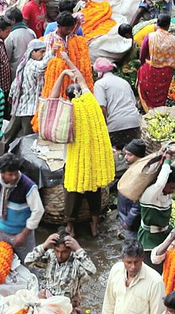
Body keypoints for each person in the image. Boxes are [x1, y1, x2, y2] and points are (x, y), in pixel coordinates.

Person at [48, 64, 103, 238]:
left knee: (72, 191)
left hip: (74, 161)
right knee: (94, 191)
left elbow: (51, 98)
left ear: (68, 96)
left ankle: (70, 226)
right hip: (94, 160)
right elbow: (82, 79)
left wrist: (63, 73)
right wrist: (69, 64)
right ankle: (94, 226)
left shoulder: (67, 111)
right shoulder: (91, 103)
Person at [0, 153, 44, 262]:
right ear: (2, 173)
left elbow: (38, 211)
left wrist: (24, 234)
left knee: (28, 263)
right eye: (10, 174)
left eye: (16, 173)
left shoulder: (28, 187)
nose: (14, 177)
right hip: (2, 231)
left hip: (22, 233)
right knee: (3, 262)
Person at [24, 231, 96, 312]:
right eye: (57, 251)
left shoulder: (76, 262)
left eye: (64, 252)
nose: (59, 255)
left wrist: (78, 248)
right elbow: (28, 261)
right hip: (48, 300)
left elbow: (92, 271)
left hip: (66, 304)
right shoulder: (50, 256)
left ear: (70, 250)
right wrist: (44, 245)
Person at [137, 150, 175, 272]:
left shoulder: (165, 193)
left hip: (164, 233)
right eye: (172, 187)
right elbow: (161, 181)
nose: (173, 190)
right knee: (152, 269)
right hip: (149, 238)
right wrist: (167, 159)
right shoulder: (150, 194)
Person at [5, 39, 55, 144]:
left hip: (21, 107)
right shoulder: (32, 65)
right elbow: (42, 67)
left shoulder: (25, 64)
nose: (44, 54)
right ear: (33, 52)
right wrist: (52, 53)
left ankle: (1, 153)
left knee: (10, 134)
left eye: (45, 51)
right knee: (27, 138)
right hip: (29, 109)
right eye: (42, 51)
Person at [137, 14, 175, 110]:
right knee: (160, 94)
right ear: (168, 25)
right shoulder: (173, 39)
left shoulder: (150, 37)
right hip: (165, 73)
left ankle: (146, 109)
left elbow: (142, 54)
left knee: (147, 91)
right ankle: (159, 111)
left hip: (150, 69)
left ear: (157, 23)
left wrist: (143, 64)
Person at [102, 239, 165, 314]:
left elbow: (157, 312)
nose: (133, 267)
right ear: (122, 259)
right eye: (129, 262)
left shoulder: (156, 282)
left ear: (142, 258)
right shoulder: (116, 270)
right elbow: (109, 303)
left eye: (136, 262)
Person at [93, 57, 141, 150]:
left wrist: (103, 126)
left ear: (99, 72)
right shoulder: (124, 82)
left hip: (116, 125)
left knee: (116, 154)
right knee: (132, 153)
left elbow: (102, 107)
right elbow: (133, 102)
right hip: (134, 122)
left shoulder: (100, 84)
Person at [116, 139, 145, 239]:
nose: (125, 157)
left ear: (138, 156)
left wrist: (128, 221)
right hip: (124, 213)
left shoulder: (140, 176)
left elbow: (137, 204)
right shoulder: (132, 168)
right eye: (126, 154)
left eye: (129, 155)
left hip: (130, 219)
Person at [5, 7, 37, 81]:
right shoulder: (31, 32)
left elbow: (7, 57)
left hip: (15, 74)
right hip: (30, 71)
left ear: (13, 20)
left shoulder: (10, 36)